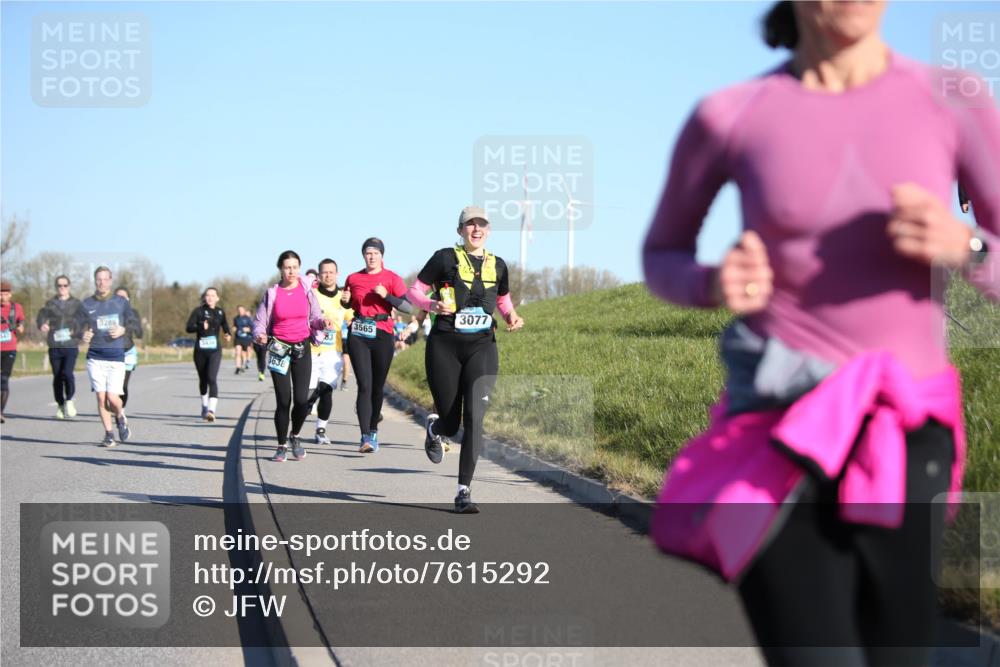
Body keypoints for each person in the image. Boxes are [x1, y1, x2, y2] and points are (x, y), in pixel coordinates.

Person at [643, 2, 1000, 664]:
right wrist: (712, 282)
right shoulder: (732, 114)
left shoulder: (954, 99)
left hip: (905, 430)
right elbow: (661, 253)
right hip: (778, 428)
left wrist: (970, 245)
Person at [406, 206, 524, 513]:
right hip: (444, 346)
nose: (476, 229)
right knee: (451, 421)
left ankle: (463, 492)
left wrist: (510, 315)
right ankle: (436, 429)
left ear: (488, 230)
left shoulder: (498, 265)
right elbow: (414, 291)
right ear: (460, 230)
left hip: (482, 347)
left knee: (475, 417)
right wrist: (430, 304)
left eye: (481, 225)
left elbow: (502, 298)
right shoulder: (444, 258)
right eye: (470, 225)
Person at [341, 238, 412, 453]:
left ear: (382, 255)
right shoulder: (353, 278)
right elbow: (349, 303)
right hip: (359, 333)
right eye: (367, 253)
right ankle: (365, 437)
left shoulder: (392, 278)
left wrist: (387, 296)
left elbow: (408, 307)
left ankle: (373, 430)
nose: (371, 257)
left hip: (383, 333)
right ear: (363, 255)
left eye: (375, 253)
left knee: (377, 387)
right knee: (364, 384)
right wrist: (344, 300)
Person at [253, 250, 325, 462]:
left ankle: (295, 436)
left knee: (302, 400)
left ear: (299, 268)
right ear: (281, 269)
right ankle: (281, 445)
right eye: (287, 267)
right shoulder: (273, 293)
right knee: (284, 400)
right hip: (279, 349)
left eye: (295, 267)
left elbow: (316, 318)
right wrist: (259, 335)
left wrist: (324, 323)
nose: (291, 271)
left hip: (302, 348)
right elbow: (260, 321)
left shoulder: (306, 290)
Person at [79, 266, 141, 447]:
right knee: (100, 397)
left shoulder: (121, 302)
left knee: (112, 398)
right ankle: (108, 434)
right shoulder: (87, 304)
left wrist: (123, 329)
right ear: (95, 281)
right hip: (95, 356)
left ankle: (120, 417)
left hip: (115, 357)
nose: (102, 282)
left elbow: (133, 323)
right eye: (98, 279)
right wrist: (84, 334)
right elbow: (80, 328)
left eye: (105, 279)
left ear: (110, 281)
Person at [305, 259, 351, 445]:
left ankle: (321, 429)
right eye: (324, 272)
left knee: (327, 391)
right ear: (319, 275)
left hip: (334, 351)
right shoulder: (311, 295)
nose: (328, 275)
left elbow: (353, 319)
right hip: (311, 350)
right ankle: (296, 430)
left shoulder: (344, 297)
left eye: (331, 272)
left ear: (337, 274)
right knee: (306, 394)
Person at [36, 275, 84, 419]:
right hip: (55, 345)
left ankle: (69, 400)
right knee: (57, 376)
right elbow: (41, 316)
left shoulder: (76, 303)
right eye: (59, 286)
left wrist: (75, 330)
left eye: (64, 285)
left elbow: (83, 321)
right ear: (56, 287)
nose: (62, 288)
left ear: (69, 287)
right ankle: (60, 404)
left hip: (70, 345)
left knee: (67, 374)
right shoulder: (50, 303)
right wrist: (42, 324)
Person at [186, 287, 231, 422]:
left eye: (213, 295)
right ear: (205, 297)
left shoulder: (220, 312)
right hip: (200, 351)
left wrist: (227, 334)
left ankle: (211, 410)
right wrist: (200, 325)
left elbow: (225, 326)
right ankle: (204, 406)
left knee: (212, 378)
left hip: (214, 350)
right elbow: (188, 328)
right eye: (208, 295)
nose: (210, 298)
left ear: (217, 298)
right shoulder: (198, 311)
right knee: (203, 380)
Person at [114, 287, 143, 415]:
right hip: (111, 353)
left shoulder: (133, 312)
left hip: (128, 351)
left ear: (128, 299)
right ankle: (113, 406)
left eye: (123, 297)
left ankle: (121, 411)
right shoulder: (106, 311)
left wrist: (130, 326)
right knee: (112, 387)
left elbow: (139, 332)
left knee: (123, 386)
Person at [0, 280, 25, 424]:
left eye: (6, 294)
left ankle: (0, 412)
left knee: (3, 379)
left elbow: (21, 322)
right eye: (1, 294)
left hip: (9, 348)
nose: (3, 297)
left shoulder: (16, 308)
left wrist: (20, 327)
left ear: (10, 294)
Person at [233, 305, 254, 373]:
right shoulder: (236, 318)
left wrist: (248, 329)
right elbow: (234, 326)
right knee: (237, 352)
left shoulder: (248, 318)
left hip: (246, 338)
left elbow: (253, 328)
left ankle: (243, 365)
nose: (240, 311)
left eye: (241, 310)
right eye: (239, 310)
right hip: (238, 338)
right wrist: (234, 328)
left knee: (243, 353)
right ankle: (238, 367)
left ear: (244, 310)